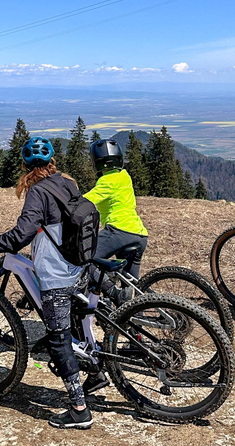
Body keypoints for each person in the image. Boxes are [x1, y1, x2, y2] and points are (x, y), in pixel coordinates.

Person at [0, 137, 92, 430]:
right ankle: (96, 372)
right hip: (79, 266)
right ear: (52, 162)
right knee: (74, 323)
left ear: (26, 165)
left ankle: (80, 409)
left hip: (57, 274)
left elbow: (21, 235)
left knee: (59, 339)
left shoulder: (37, 192)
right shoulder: (66, 182)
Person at [81, 139, 149, 394]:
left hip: (118, 232)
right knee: (132, 297)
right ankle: (137, 340)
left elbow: (84, 204)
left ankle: (111, 293)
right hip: (139, 236)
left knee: (83, 258)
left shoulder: (105, 182)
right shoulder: (124, 176)